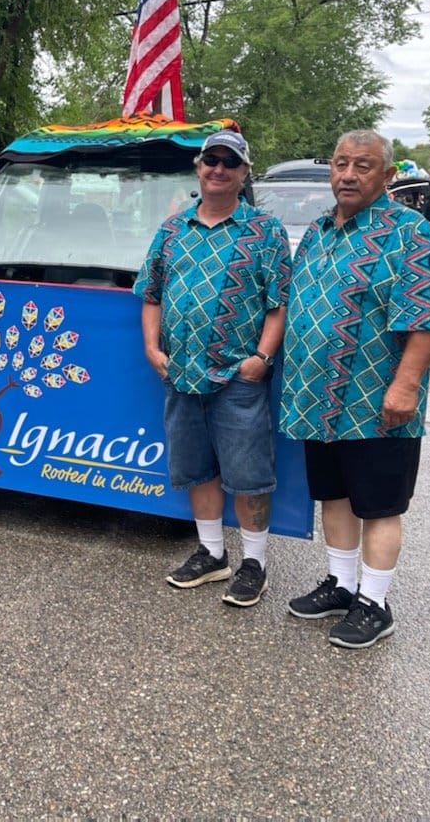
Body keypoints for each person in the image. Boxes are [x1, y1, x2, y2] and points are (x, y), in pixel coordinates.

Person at [280, 129, 430, 648]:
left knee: (378, 505)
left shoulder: (410, 233)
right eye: (340, 163)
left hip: (376, 401)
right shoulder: (316, 232)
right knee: (333, 495)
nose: (348, 174)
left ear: (387, 175)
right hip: (317, 399)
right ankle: (342, 583)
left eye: (363, 165)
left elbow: (427, 319)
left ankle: (375, 604)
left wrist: (405, 386)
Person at [134, 128, 292, 608]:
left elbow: (278, 303)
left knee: (248, 476)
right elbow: (151, 293)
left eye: (229, 162)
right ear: (199, 167)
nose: (218, 169)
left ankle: (255, 563)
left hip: (236, 378)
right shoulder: (172, 230)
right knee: (196, 470)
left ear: (244, 174)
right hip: (181, 374)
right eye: (211, 160)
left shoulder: (265, 231)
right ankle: (211, 553)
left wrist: (261, 359)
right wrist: (151, 349)